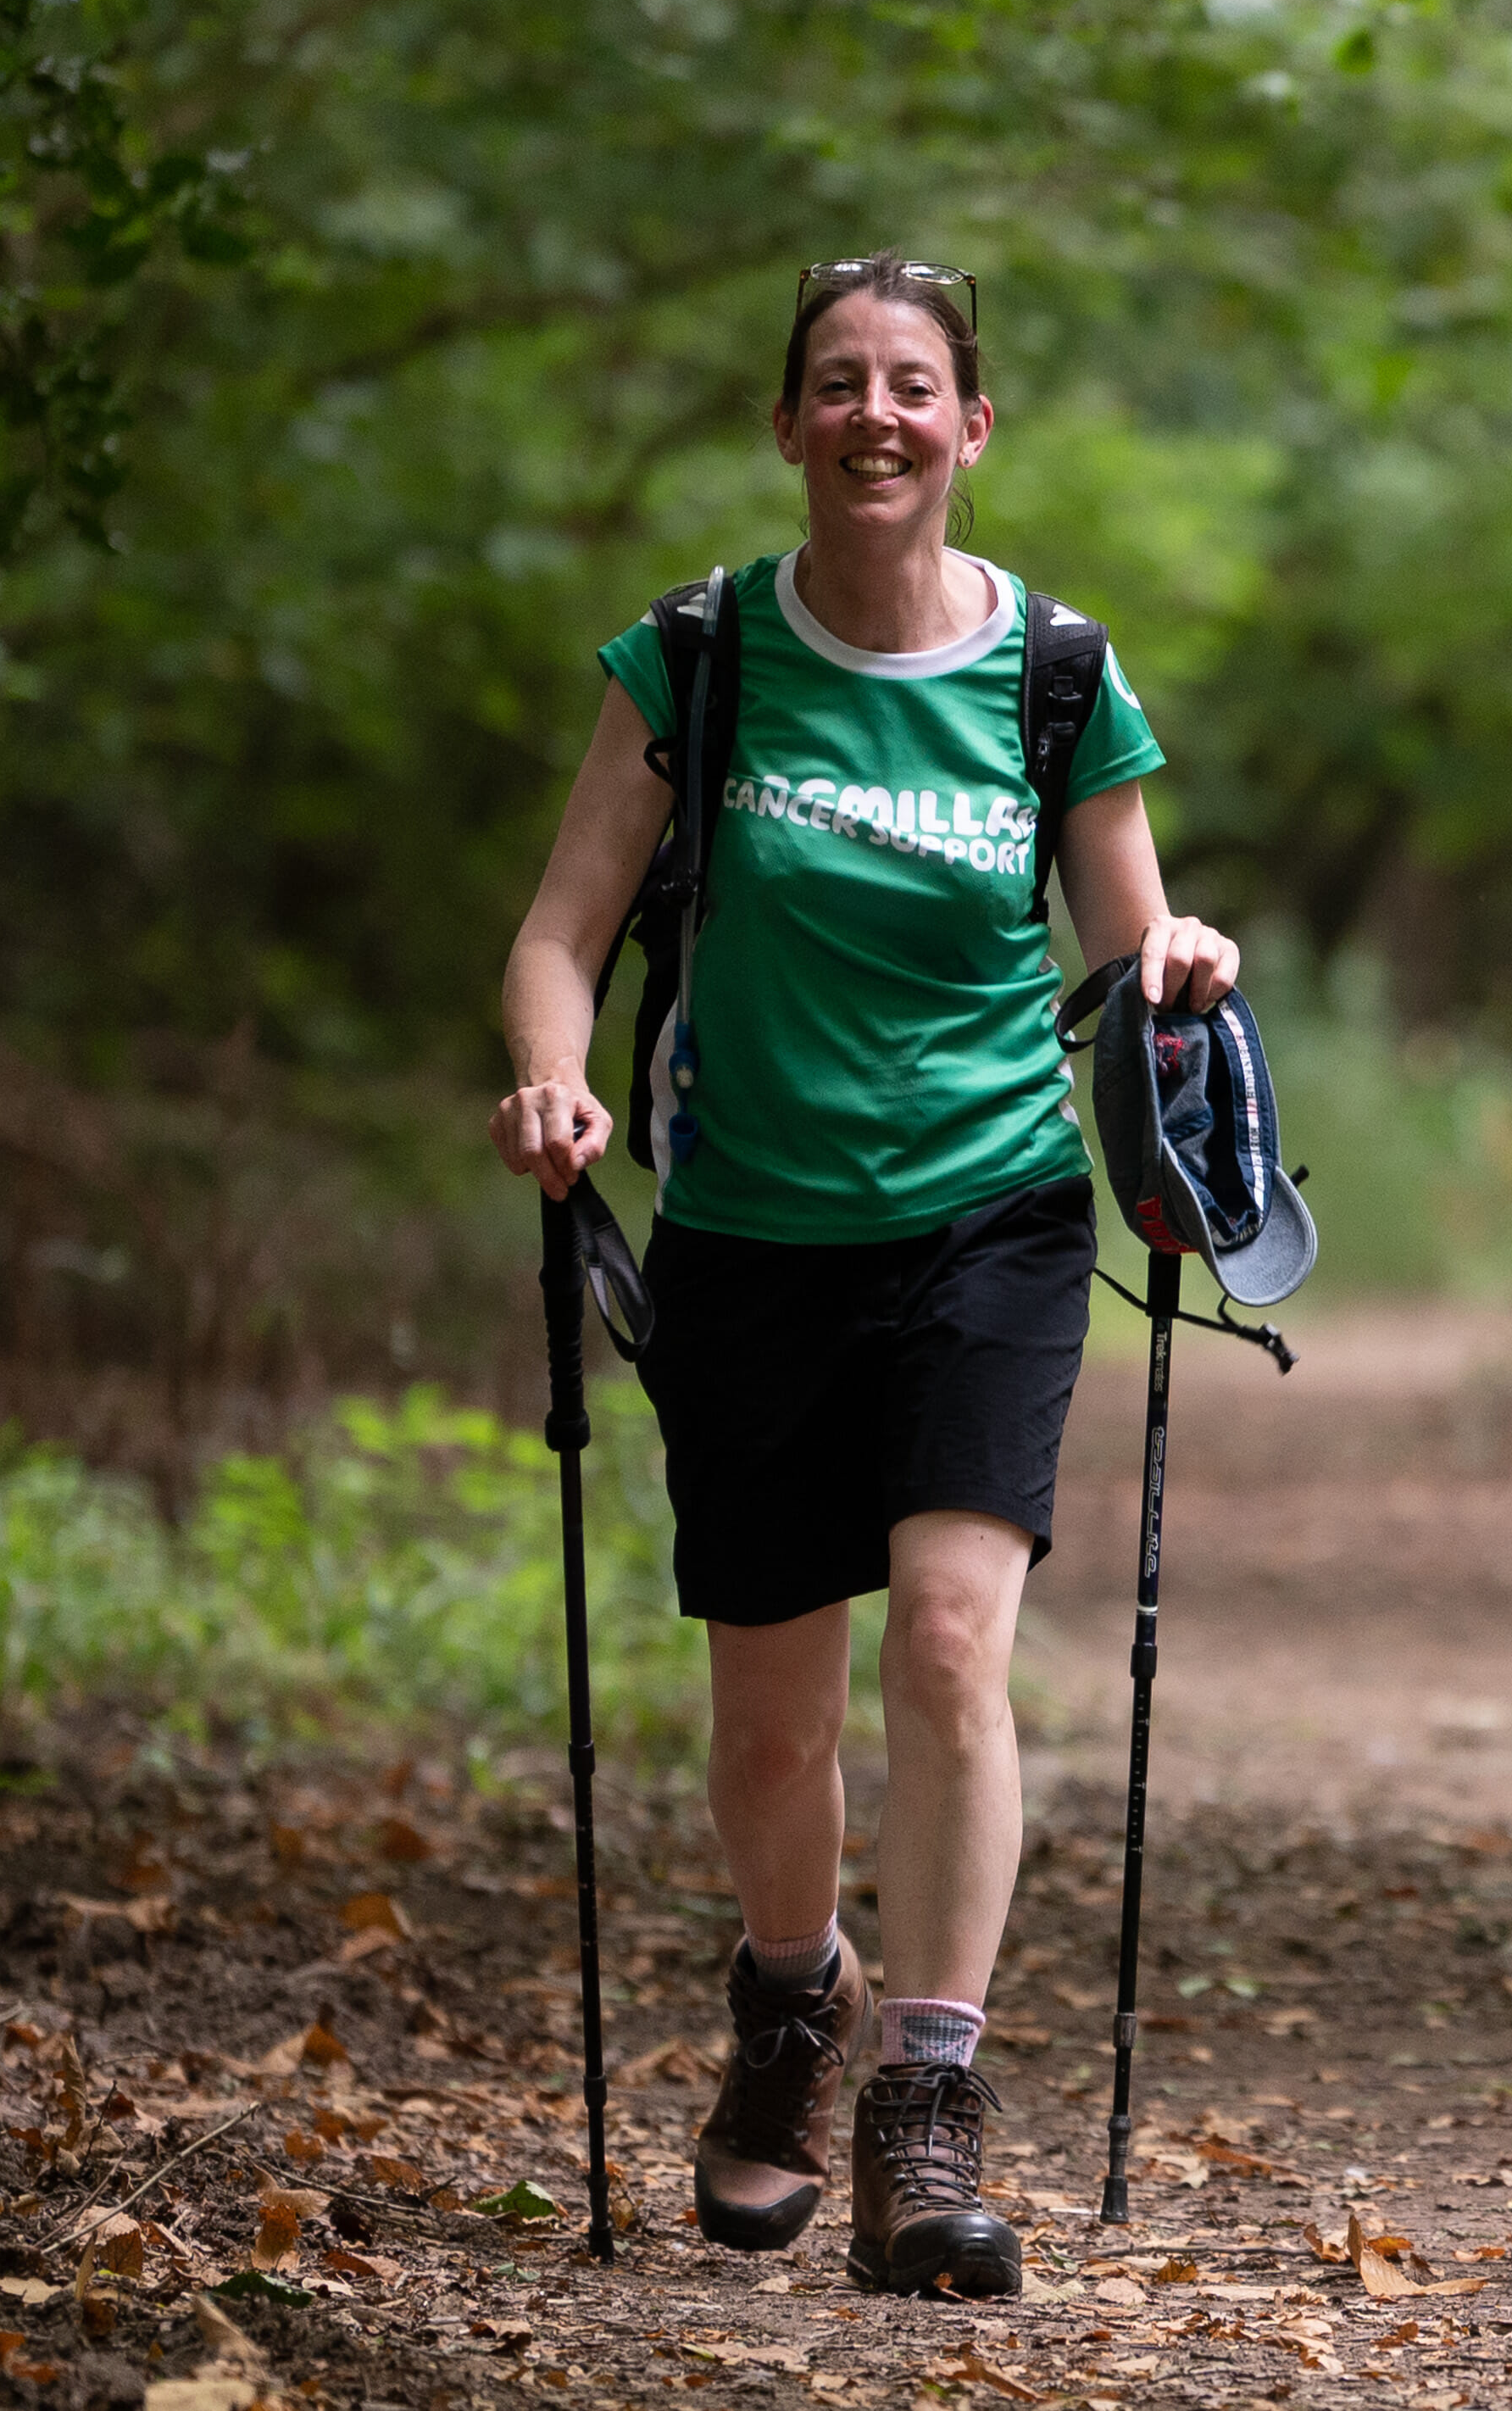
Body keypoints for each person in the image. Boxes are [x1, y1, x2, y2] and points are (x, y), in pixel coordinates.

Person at [493, 254, 1238, 2298]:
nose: (876, 417)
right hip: (747, 1230)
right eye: (838, 385)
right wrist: (554, 1086)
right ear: (788, 424)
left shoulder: (1057, 676)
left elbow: (1127, 943)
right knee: (766, 1730)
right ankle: (787, 1997)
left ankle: (924, 2092)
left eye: (915, 386)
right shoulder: (700, 658)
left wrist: (1173, 968)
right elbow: (561, 932)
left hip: (987, 1218)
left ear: (972, 428)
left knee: (945, 1644)